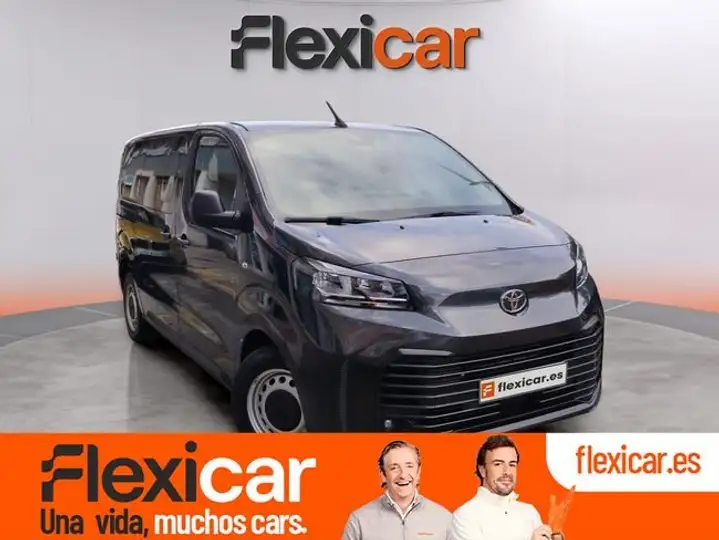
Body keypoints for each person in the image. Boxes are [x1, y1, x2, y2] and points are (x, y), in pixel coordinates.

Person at [449, 434, 565, 540]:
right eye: (498, 464)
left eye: (512, 464)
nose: (507, 472)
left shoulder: (529, 512)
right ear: (482, 470)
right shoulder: (464, 516)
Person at [342, 440, 453, 540]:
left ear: (418, 472)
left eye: (409, 466)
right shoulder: (359, 520)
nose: (403, 475)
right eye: (394, 468)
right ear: (383, 474)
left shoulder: (444, 518)